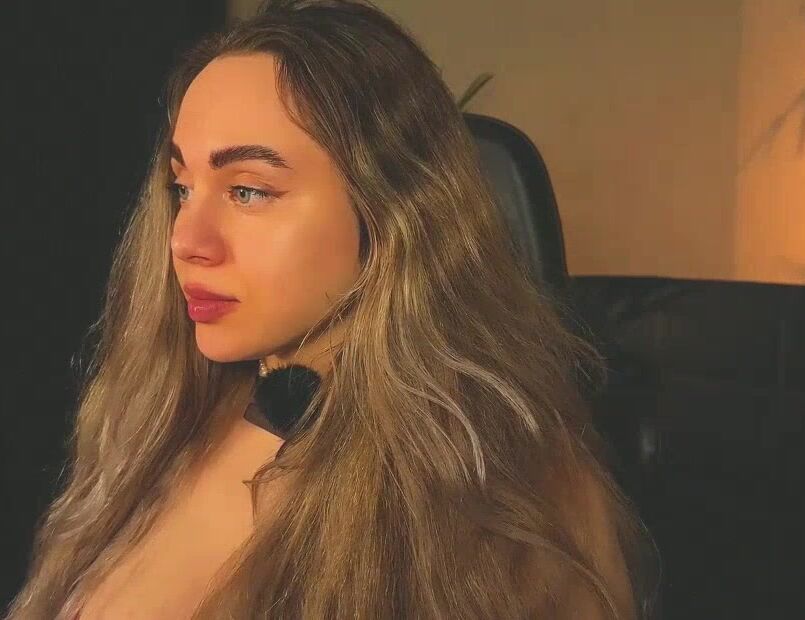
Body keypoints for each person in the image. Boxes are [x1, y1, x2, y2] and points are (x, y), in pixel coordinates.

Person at [6, 1, 658, 617]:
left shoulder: (509, 503)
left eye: (248, 191)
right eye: (182, 188)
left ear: (391, 210)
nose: (186, 241)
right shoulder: (161, 418)